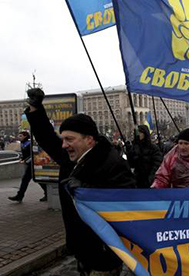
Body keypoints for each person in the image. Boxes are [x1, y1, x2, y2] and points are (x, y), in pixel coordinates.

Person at [24, 88, 136, 276]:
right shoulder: (73, 156)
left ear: (89, 140)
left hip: (104, 251)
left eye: (69, 139)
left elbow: (126, 204)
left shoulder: (112, 162)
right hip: (82, 246)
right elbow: (47, 138)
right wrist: (36, 109)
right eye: (63, 139)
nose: (64, 144)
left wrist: (87, 190)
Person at [8, 131, 47, 202]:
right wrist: (22, 159)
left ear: (25, 136)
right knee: (36, 179)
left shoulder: (30, 143)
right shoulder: (22, 143)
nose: (18, 137)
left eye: (20, 136)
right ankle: (47, 193)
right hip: (29, 164)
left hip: (32, 164)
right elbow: (25, 154)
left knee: (27, 180)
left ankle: (20, 196)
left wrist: (25, 161)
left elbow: (33, 154)